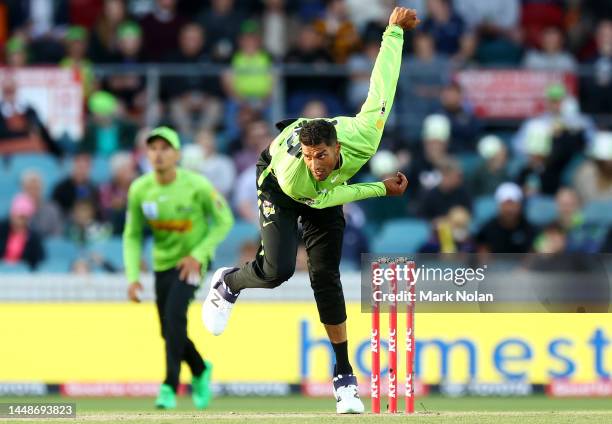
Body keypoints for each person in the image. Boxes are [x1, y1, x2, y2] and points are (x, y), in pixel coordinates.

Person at [202, 7, 419, 414]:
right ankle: (229, 282)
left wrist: (393, 33)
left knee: (325, 277)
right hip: (279, 186)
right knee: (278, 271)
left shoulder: (363, 136)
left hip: (329, 190)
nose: (315, 163)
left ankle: (344, 380)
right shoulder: (298, 174)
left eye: (321, 154)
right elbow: (322, 198)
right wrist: (378, 188)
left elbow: (382, 86)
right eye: (309, 155)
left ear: (337, 147)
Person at [123, 127, 233, 410]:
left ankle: (169, 386)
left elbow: (224, 221)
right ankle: (199, 369)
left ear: (178, 154)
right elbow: (132, 235)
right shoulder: (140, 189)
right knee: (168, 330)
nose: (158, 154)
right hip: (162, 264)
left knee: (174, 319)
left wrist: (198, 254)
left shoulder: (196, 185)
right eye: (153, 148)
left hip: (192, 264)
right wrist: (133, 277)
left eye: (165, 148)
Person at [476, 182, 536, 253]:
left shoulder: (529, 229)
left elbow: (533, 253)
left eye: (513, 204)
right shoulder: (487, 229)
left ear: (520, 206)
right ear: (499, 206)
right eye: (506, 204)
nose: (509, 209)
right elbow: (482, 251)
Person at [0, 194, 45, 271]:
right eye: (16, 215)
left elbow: (38, 260)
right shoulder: (2, 230)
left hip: (23, 277)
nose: (18, 220)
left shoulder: (34, 238)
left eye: (22, 217)